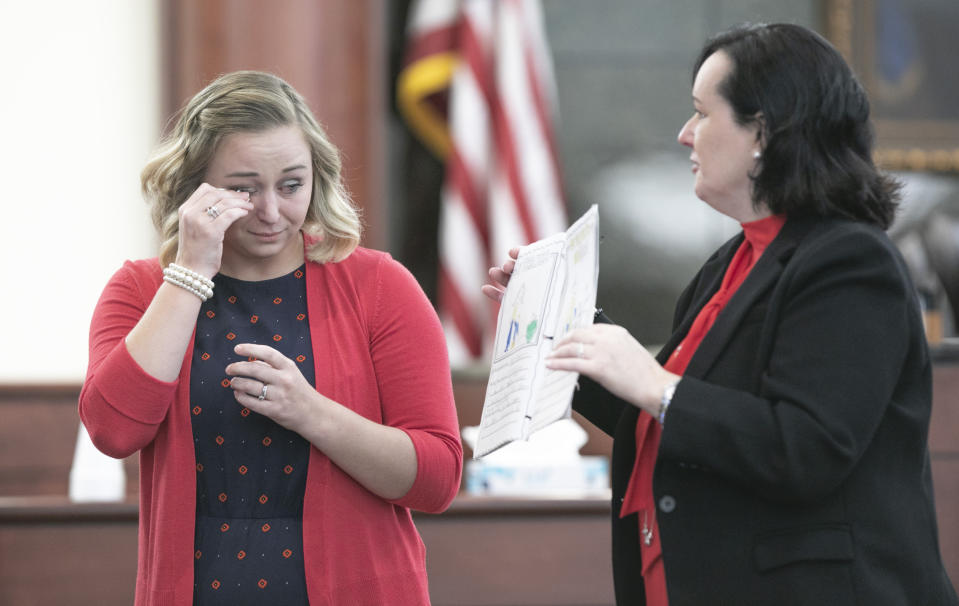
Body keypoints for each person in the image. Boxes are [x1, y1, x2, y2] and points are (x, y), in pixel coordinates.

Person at [484, 23, 958, 606]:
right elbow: (670, 422)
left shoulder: (851, 261)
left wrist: (655, 383)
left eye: (702, 114)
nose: (685, 135)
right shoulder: (731, 262)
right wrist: (559, 332)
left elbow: (806, 447)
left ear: (763, 131)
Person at [79, 70, 462, 606]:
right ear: (196, 188)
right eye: (242, 188)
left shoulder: (379, 285)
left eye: (290, 185)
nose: (269, 211)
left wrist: (310, 412)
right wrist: (190, 272)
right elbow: (112, 432)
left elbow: (437, 478)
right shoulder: (142, 289)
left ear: (315, 177)